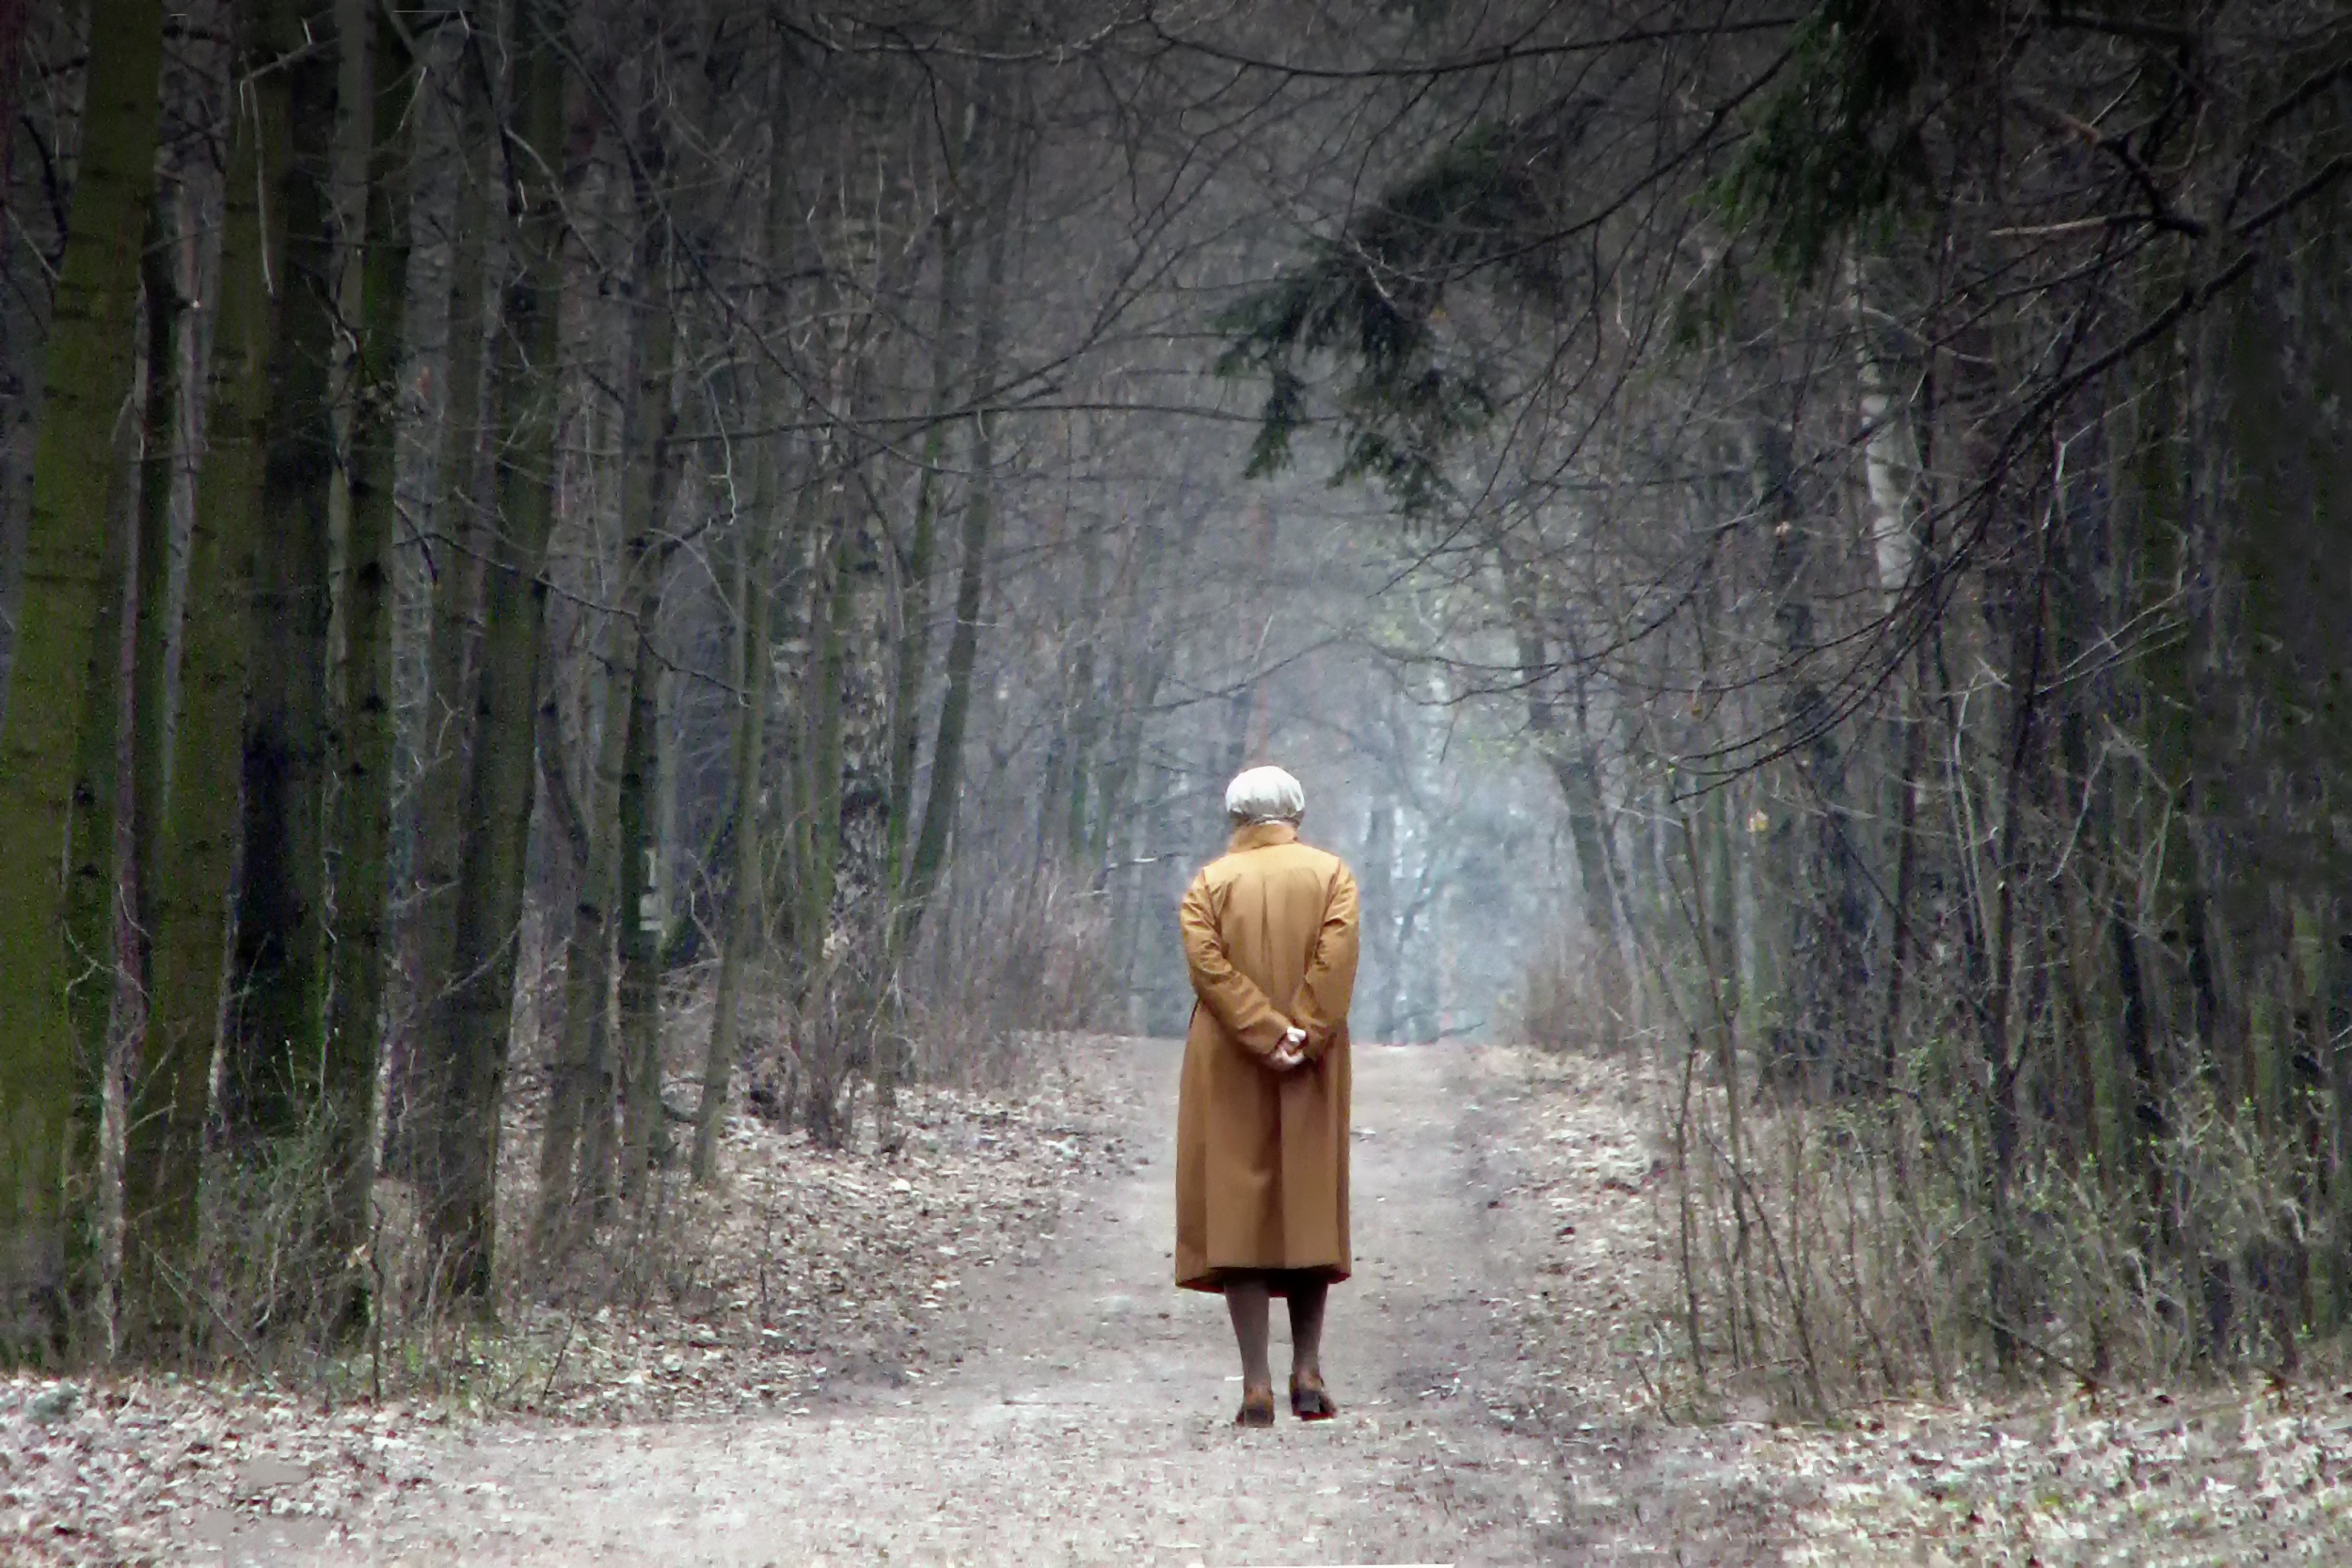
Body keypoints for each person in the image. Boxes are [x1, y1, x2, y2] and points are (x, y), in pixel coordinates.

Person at [1173, 764, 1361, 1427]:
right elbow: (1335, 964)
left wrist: (1261, 1029)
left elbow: (1208, 969)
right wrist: (1302, 1034)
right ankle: (1307, 1370)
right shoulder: (1332, 876)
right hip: (1310, 1063)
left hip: (1228, 1059)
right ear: (1295, 814)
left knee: (1237, 1210)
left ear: (1235, 818)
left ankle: (1255, 1384)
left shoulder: (1208, 886)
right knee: (1307, 1202)